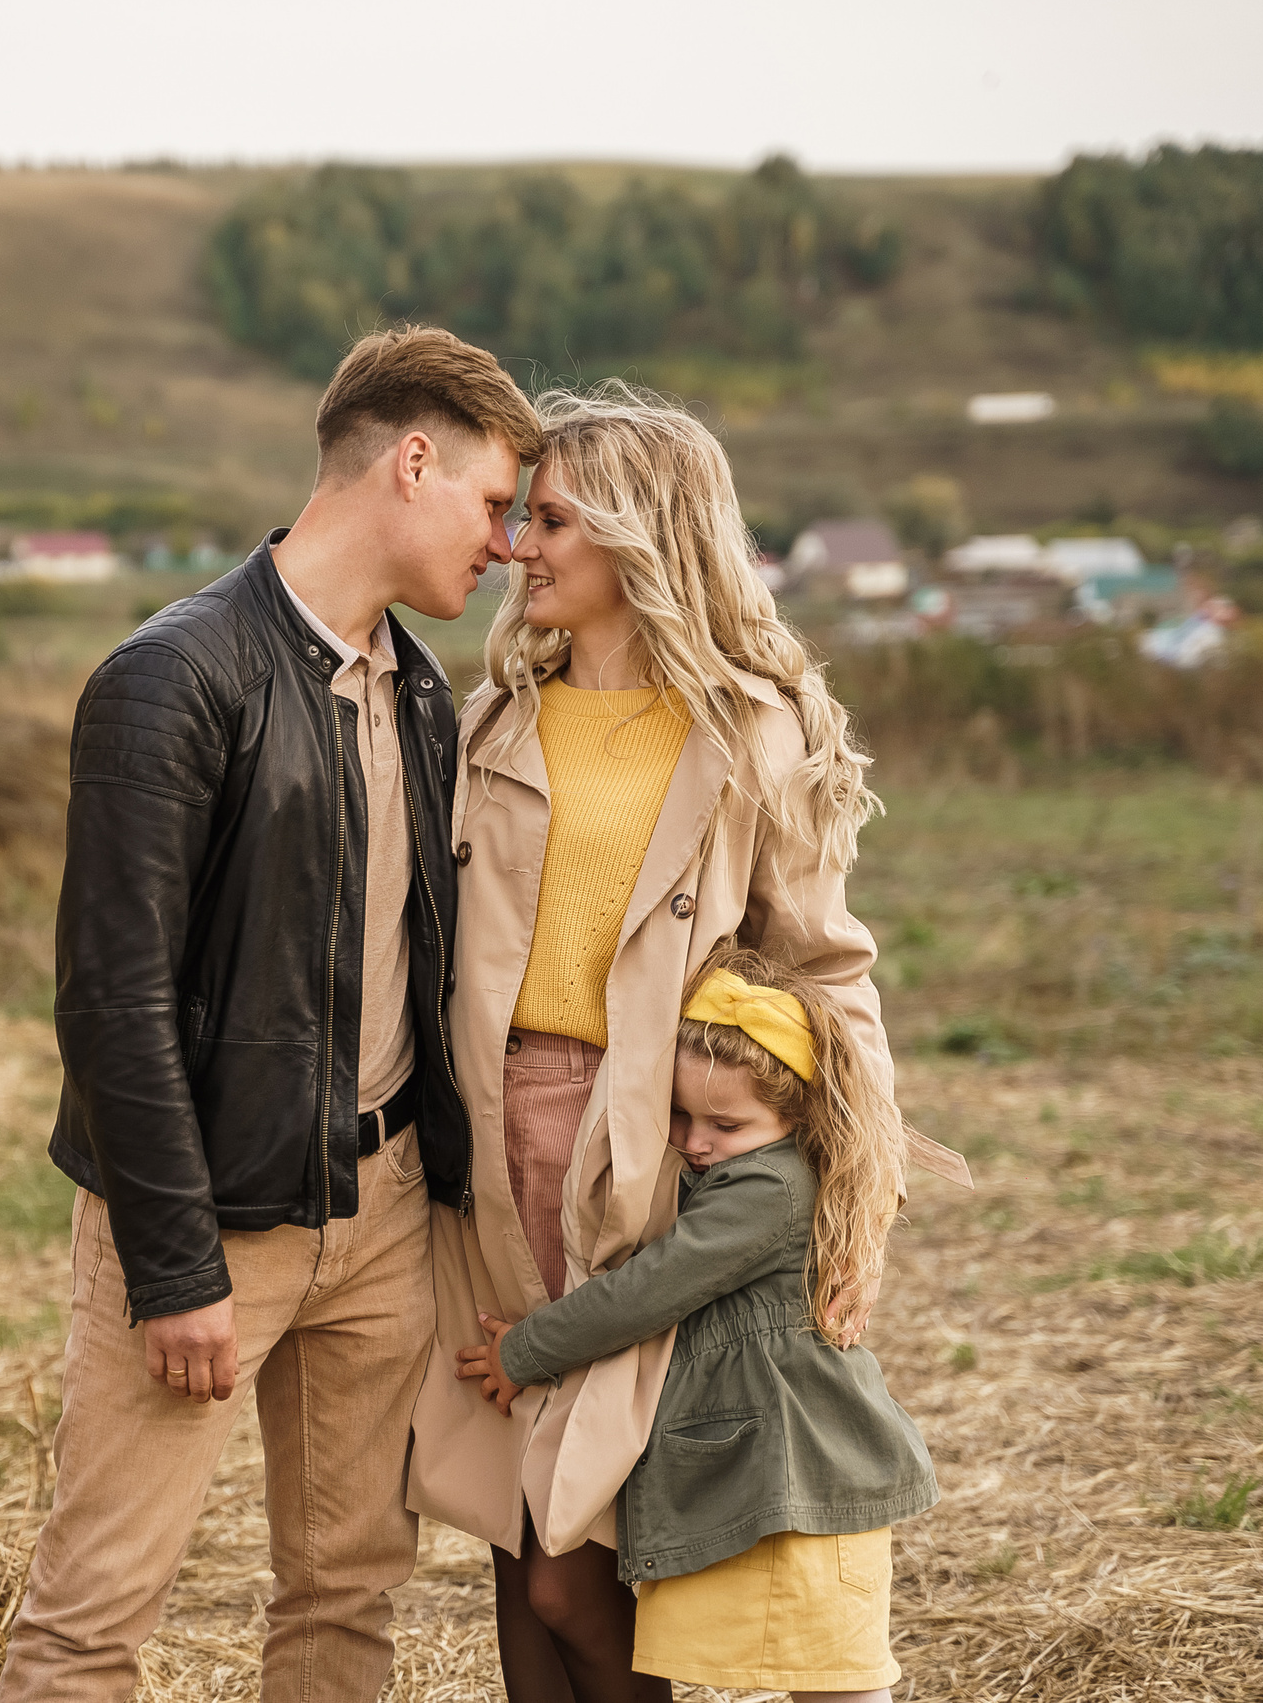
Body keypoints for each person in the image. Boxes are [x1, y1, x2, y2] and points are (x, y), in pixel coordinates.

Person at [0, 325, 542, 1703]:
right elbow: (111, 997)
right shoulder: (170, 677)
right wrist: (174, 1264)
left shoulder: (423, 694)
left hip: (387, 1212)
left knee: (347, 1595)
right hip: (204, 1224)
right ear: (412, 461)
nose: (506, 543)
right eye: (492, 503)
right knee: (95, 1611)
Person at [407, 384, 967, 1702]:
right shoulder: (483, 721)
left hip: (652, 1150)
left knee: (590, 1540)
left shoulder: (747, 735)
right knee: (519, 1521)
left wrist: (856, 1197)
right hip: (489, 1149)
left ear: (639, 536)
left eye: (548, 520)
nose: (515, 546)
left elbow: (828, 965)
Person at [455, 946, 941, 1703]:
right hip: (768, 1467)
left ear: (796, 1112)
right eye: (680, 1114)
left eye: (726, 1121)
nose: (697, 1139)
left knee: (837, 1680)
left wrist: (526, 1348)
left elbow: (649, 1288)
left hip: (800, 1465)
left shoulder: (769, 1188)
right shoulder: (741, 1169)